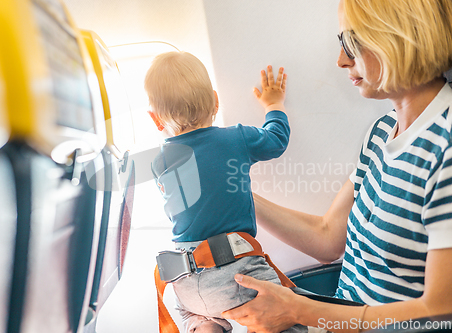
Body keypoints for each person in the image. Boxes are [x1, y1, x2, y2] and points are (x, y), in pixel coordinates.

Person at [221, 0, 452, 332]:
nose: (341, 60)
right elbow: (328, 238)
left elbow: (439, 313)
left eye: (351, 43)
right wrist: (238, 195)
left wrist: (300, 310)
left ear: (397, 37)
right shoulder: (382, 131)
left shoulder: (445, 147)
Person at [145, 51, 293, 332]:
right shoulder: (235, 139)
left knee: (202, 318)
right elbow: (277, 140)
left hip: (185, 283)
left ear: (155, 119)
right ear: (215, 101)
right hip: (235, 272)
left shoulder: (158, 163)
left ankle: (205, 325)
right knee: (284, 312)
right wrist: (274, 104)